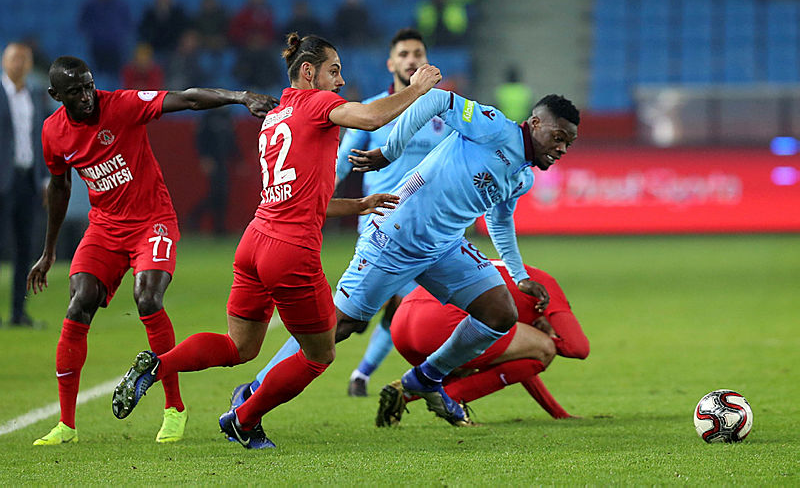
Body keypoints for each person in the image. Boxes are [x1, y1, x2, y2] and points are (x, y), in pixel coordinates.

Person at [110, 33, 442, 449]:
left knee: (239, 346)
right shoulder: (317, 103)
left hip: (254, 241)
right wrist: (416, 89)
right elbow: (372, 118)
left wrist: (359, 204)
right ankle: (244, 419)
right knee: (320, 354)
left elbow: (300, 198)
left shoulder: (276, 116)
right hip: (290, 251)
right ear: (309, 72)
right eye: (334, 71)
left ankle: (159, 365)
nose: (340, 81)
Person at [239, 89, 579, 427]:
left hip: (444, 246)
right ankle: (251, 394)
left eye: (568, 143)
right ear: (535, 123)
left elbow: (500, 219)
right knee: (338, 326)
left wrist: (519, 276)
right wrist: (391, 150)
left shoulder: (523, 177)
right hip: (397, 234)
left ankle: (426, 377)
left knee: (499, 312)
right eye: (558, 137)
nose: (562, 149)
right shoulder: (494, 126)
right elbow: (437, 100)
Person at [26, 55, 278, 446]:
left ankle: (174, 408)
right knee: (79, 302)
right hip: (104, 227)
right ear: (55, 95)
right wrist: (49, 251)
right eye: (76, 92)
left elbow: (187, 98)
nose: (87, 96)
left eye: (89, 86)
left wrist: (240, 96)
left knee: (147, 298)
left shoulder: (122, 105)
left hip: (152, 221)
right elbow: (59, 188)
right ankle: (66, 425)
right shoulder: (52, 132)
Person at [242, 28, 451, 398]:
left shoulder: (440, 112)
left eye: (418, 53)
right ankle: (255, 390)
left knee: (452, 307)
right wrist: (320, 201)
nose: (411, 60)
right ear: (391, 63)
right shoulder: (361, 108)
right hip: (385, 229)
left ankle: (401, 381)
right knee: (345, 321)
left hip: (431, 231)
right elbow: (337, 163)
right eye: (404, 54)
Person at [376, 260, 589, 426]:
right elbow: (578, 348)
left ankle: (403, 392)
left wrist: (558, 413)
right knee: (544, 348)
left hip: (402, 323)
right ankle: (451, 400)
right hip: (440, 322)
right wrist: (550, 340)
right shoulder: (546, 285)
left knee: (469, 364)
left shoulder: (509, 270)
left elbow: (521, 366)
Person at [0, 43, 51, 327]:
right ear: (4, 62)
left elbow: (40, 139)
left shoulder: (34, 94)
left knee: (25, 247)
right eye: (14, 58)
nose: (19, 63)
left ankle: (18, 313)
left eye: (24, 59)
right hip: (2, 179)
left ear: (30, 64)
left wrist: (44, 179)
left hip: (27, 180)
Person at [78, 0, 132, 77]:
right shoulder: (91, 5)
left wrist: (120, 35)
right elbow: (83, 23)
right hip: (97, 46)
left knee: (115, 76)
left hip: (115, 47)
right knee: (96, 75)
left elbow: (128, 23)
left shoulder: (120, 5)